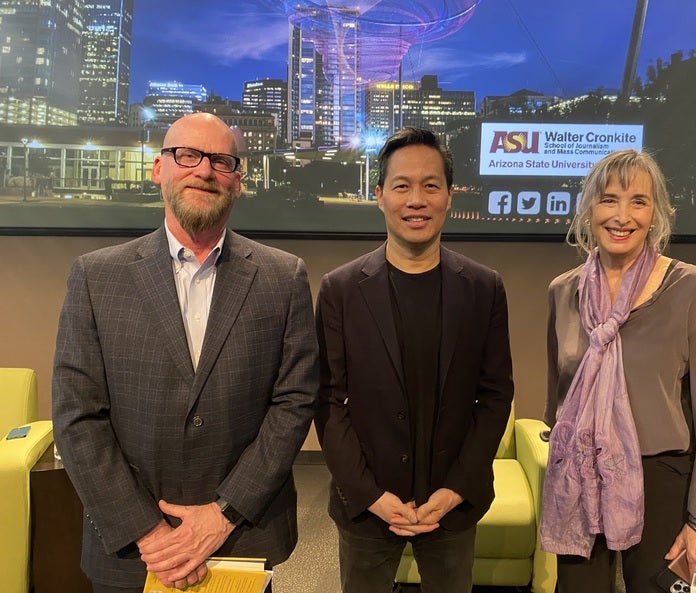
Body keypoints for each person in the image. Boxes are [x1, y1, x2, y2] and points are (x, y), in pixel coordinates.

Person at [52, 113, 318, 593]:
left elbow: (295, 402)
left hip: (241, 537)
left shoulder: (284, 277)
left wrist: (221, 515)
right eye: (188, 155)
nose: (204, 170)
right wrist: (149, 532)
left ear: (238, 181)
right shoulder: (95, 278)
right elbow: (78, 416)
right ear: (159, 169)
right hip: (133, 548)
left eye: (221, 161)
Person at [314, 127, 514, 593]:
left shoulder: (484, 288)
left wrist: (457, 489)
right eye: (402, 186)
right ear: (380, 195)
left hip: (453, 502)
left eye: (431, 185)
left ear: (449, 195)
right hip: (369, 503)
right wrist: (369, 495)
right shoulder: (340, 290)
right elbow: (326, 401)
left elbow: (496, 396)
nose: (416, 200)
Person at [541, 148, 696, 592]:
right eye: (609, 199)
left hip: (660, 479)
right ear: (589, 209)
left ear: (656, 214)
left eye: (638, 201)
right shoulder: (563, 292)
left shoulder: (691, 287)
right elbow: (559, 398)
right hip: (580, 474)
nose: (622, 215)